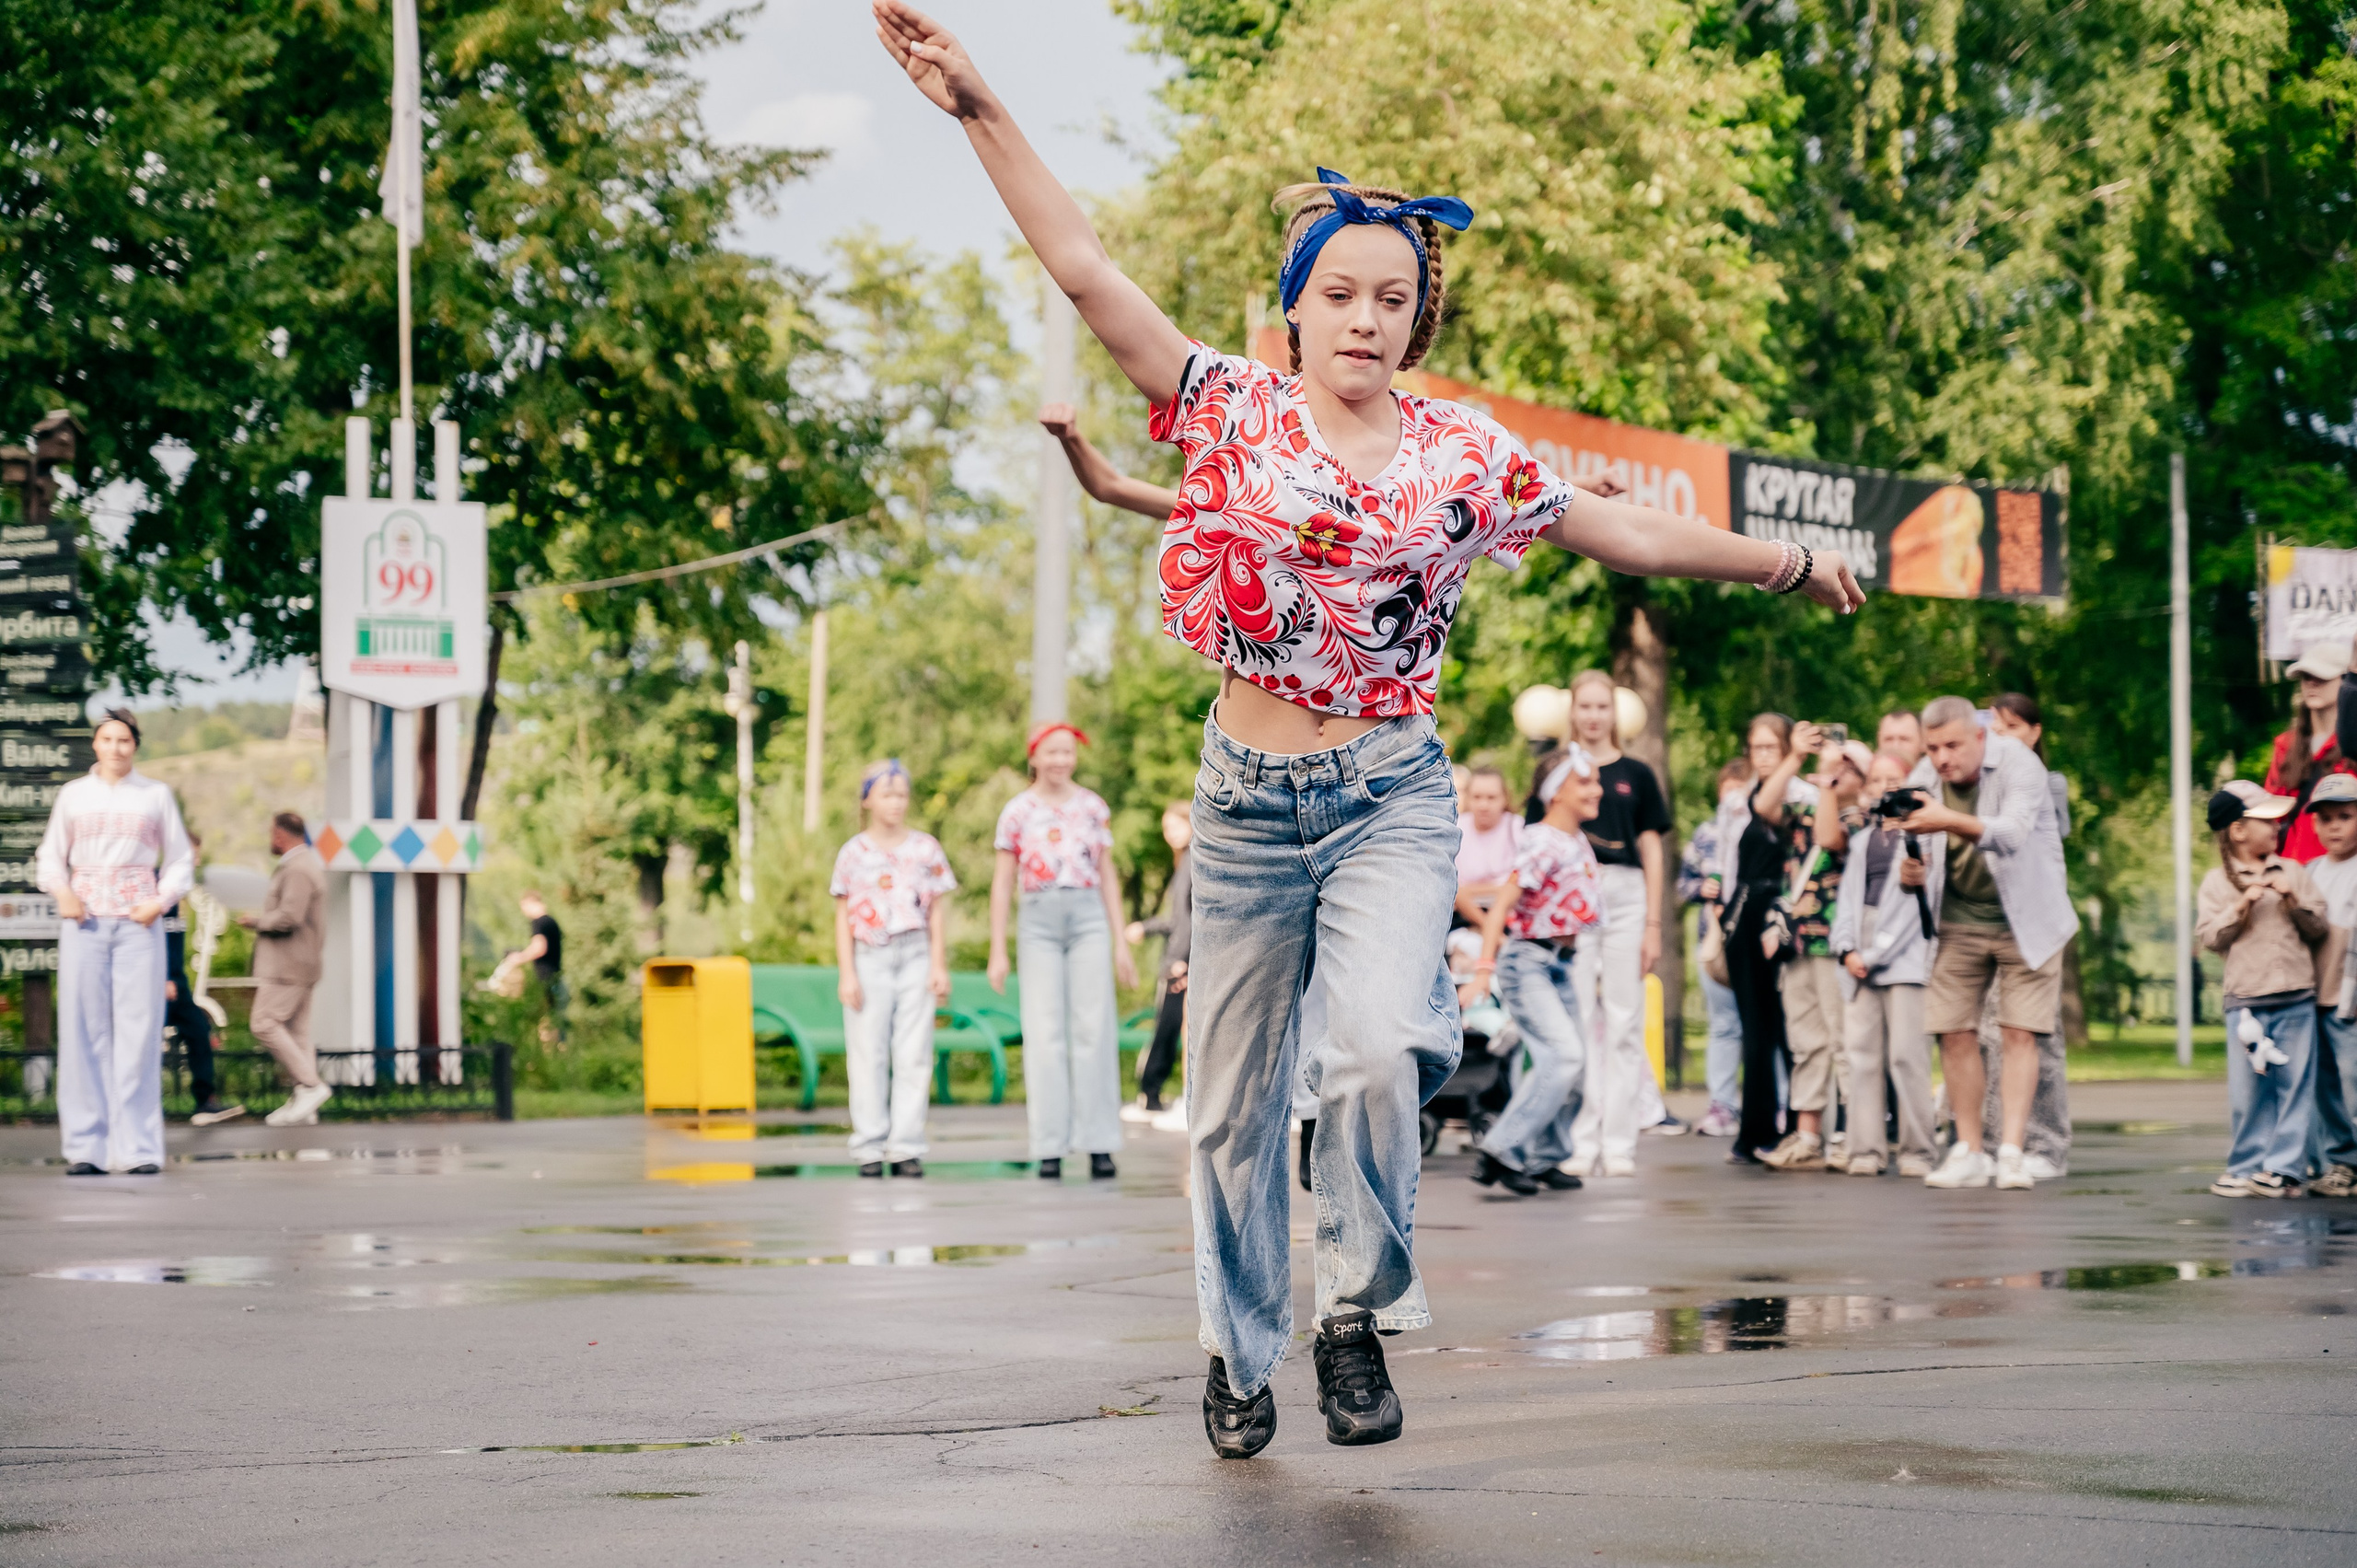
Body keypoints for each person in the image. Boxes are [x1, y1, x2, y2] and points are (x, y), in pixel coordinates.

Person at [872, 0, 1863, 1459]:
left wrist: (1782, 556)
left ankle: (1354, 1311)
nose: (1363, 319)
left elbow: (1625, 531)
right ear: (1298, 304)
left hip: (1389, 789)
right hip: (1246, 801)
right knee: (1226, 1112)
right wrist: (977, 103)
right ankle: (1238, 1340)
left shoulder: (1466, 457)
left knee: (1385, 1050)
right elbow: (1083, 270)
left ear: (1418, 318)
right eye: (1339, 293)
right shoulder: (1230, 408)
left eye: (1391, 300)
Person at [1902, 696, 2080, 1191]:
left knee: (2017, 1032)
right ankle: (1969, 1149)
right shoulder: (1924, 775)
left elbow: (2012, 834)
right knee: (1953, 1031)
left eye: (1953, 745)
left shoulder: (2020, 764)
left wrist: (1945, 819)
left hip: (2027, 921)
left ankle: (2012, 1153)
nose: (1942, 758)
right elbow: (1917, 847)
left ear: (1981, 737)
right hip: (1958, 919)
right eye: (1933, 747)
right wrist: (1909, 872)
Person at [38, 709, 195, 1174]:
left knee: (139, 1032)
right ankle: (86, 1148)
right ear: (95, 744)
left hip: (137, 923)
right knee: (82, 1030)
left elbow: (181, 859)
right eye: (107, 739)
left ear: (135, 746)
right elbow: (50, 855)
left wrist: (160, 900)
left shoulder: (155, 795)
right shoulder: (73, 795)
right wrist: (62, 890)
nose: (115, 748)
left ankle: (139, 1149)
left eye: (124, 740)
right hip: (84, 920)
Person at [990, 721, 1137, 1180]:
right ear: (1034, 757)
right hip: (1038, 920)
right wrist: (998, 947)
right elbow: (1002, 882)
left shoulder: (1093, 807)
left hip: (1087, 915)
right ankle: (1049, 1145)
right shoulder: (1017, 811)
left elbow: (1107, 874)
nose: (1060, 761)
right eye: (1051, 752)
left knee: (1094, 1027)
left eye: (1068, 753)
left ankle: (1099, 1143)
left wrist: (1119, 943)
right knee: (1045, 1031)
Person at [1458, 748, 1604, 1195]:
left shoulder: (1575, 839)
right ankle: (1500, 1149)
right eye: (1586, 782)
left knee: (1573, 1066)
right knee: (1563, 1056)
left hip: (1561, 964)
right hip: (1529, 964)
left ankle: (1544, 1157)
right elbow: (1502, 902)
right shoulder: (1542, 840)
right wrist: (1484, 970)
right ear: (1557, 791)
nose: (1597, 789)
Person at [1562, 671, 1677, 1176]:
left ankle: (1620, 1144)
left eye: (1601, 707)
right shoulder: (1559, 770)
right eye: (1584, 707)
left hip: (1628, 897)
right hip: (1576, 894)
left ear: (1614, 713)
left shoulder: (1638, 772)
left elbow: (1652, 846)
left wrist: (1654, 923)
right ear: (1573, 713)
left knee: (1626, 1022)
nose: (1593, 716)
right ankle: (1582, 1141)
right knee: (1581, 1018)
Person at [2197, 781, 2327, 1198]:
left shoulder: (2293, 871)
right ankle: (2245, 1166)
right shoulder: (2217, 883)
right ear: (2237, 830)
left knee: (2294, 1084)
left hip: (2296, 997)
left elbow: (2318, 927)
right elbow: (2211, 938)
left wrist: (2293, 901)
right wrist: (2242, 905)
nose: (2278, 826)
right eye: (2267, 820)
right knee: (2249, 1089)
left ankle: (2284, 1168)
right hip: (2246, 1003)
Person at [832, 759, 958, 1179]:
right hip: (870, 956)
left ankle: (905, 1145)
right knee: (868, 1052)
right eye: (887, 794)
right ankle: (869, 1145)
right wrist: (846, 972)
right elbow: (842, 915)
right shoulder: (853, 852)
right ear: (868, 798)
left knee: (913, 1053)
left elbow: (937, 909)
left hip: (915, 953)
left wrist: (938, 963)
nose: (896, 803)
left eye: (902, 794)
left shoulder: (925, 848)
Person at [1829, 751, 1941, 1178]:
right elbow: (1848, 903)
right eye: (1876, 780)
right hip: (1860, 951)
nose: (1883, 788)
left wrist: (1871, 955)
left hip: (1903, 957)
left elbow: (1914, 909)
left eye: (1893, 780)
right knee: (1861, 1057)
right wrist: (1846, 950)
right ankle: (1865, 1150)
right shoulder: (1861, 842)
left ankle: (1917, 1150)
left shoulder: (1924, 839)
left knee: (1907, 1056)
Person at [1982, 691, 2073, 1180]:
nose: (2003, 739)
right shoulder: (1981, 781)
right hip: (1991, 922)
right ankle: (2002, 1140)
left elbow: (2026, 839)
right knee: (1995, 1037)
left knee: (2041, 1038)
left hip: (2035, 922)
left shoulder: (2045, 780)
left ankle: (2048, 1144)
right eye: (1995, 730)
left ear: (2035, 732)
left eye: (2012, 727)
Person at [1759, 727, 1859, 1172]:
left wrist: (1828, 785)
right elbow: (1763, 805)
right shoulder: (1803, 806)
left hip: (1833, 942)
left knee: (1843, 1042)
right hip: (1798, 941)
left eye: (1846, 766)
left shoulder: (1864, 817)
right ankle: (1807, 1135)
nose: (1834, 770)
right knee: (1806, 1042)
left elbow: (1830, 837)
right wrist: (1796, 757)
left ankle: (1853, 1136)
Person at [1724, 715, 1803, 1164]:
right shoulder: (1735, 800)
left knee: (1791, 1025)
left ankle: (1800, 1126)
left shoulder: (1802, 795)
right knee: (1754, 1028)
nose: (1763, 755)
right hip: (1744, 913)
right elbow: (1725, 856)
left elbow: (1772, 813)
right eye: (1756, 747)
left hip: (1786, 915)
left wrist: (1797, 762)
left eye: (1773, 746)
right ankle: (1754, 1130)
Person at [240, 812, 331, 1126]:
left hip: (287, 965)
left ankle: (311, 1087)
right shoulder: (304, 866)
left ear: (280, 834)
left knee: (264, 1023)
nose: (271, 840)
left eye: (271, 834)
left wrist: (256, 921)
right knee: (298, 1035)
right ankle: (306, 1108)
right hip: (301, 963)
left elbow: (290, 916)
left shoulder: (298, 869)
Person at [1679, 760, 1751, 1138]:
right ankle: (1722, 1106)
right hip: (1714, 942)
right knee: (1723, 1025)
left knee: (1761, 1026)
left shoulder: (1762, 828)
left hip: (1755, 940)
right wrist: (1699, 889)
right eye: (1728, 790)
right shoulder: (1706, 835)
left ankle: (1771, 1106)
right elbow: (1684, 882)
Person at [2298, 772, 2357, 1197]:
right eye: (2325, 819)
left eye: (2345, 816)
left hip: (2351, 994)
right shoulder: (2309, 872)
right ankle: (2341, 1161)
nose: (2334, 826)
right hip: (2314, 995)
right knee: (2325, 1083)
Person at [1126, 801, 1194, 1130]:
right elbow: (1177, 920)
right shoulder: (1183, 863)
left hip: (1182, 963)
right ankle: (1153, 1096)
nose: (1171, 835)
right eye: (1167, 830)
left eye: (1176, 827)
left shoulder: (1197, 861)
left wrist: (1184, 961)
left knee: (1176, 1029)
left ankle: (1154, 1095)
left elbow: (1195, 920)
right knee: (1170, 1028)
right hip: (1177, 959)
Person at [168, 832, 240, 1126]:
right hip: (162, 980)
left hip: (174, 979)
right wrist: (167, 977)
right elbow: (160, 937)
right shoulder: (164, 889)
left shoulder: (178, 889)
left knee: (198, 1030)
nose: (196, 861)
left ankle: (205, 1102)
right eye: (192, 855)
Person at [2267, 641, 2357, 864]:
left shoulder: (2353, 746)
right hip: (2292, 875)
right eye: (2305, 677)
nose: (2311, 684)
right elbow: (2270, 817)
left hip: (2344, 874)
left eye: (2322, 677)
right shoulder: (2285, 747)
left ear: (2345, 683)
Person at [1453, 765, 1521, 927]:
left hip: (1509, 918)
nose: (1483, 805)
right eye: (1477, 797)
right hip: (1463, 919)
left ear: (1504, 798)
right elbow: (1454, 890)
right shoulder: (1457, 829)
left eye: (1491, 798)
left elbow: (1519, 885)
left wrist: (1471, 891)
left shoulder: (1517, 828)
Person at [506, 892, 567, 1045]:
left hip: (545, 980)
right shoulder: (551, 922)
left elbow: (539, 947)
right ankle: (559, 1053)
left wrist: (518, 958)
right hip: (556, 978)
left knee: (545, 1023)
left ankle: (548, 1057)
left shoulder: (539, 923)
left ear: (529, 903)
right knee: (555, 1021)